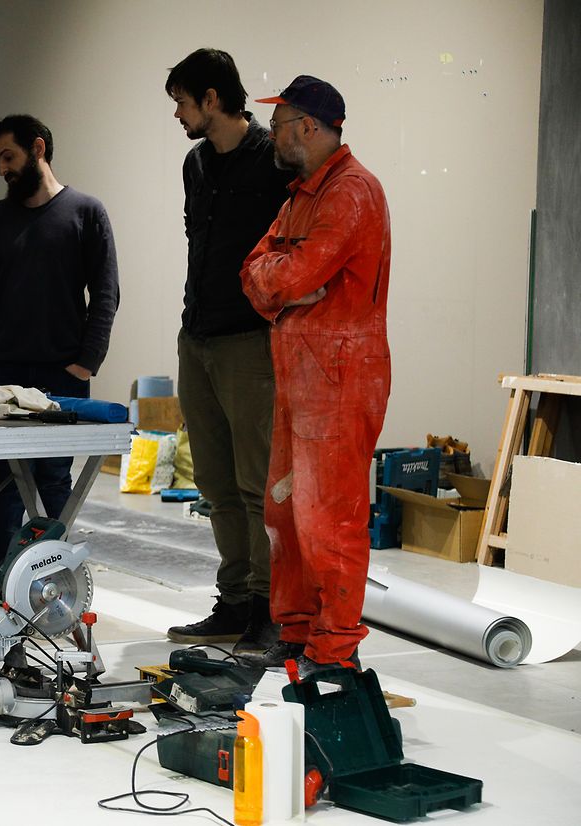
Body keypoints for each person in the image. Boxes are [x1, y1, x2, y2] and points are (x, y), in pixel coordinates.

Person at [237, 75, 391, 679]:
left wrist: (285, 284)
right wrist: (286, 285)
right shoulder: (301, 194)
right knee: (285, 514)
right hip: (299, 371)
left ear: (307, 127)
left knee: (329, 519)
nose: (271, 133)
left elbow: (289, 277)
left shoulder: (351, 193)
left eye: (277, 124)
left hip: (341, 375)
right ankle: (298, 632)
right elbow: (257, 272)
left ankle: (334, 648)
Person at [0, 114, 120, 592]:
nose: (2, 168)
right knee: (6, 478)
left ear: (38, 149)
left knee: (52, 478)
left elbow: (105, 292)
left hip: (62, 370)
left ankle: (55, 588)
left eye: (9, 157)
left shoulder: (86, 212)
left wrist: (87, 361)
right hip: (4, 369)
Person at [163, 49, 294, 656]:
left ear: (212, 99)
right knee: (214, 484)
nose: (179, 115)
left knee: (256, 483)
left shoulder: (273, 160)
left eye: (183, 103)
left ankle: (270, 610)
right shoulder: (195, 164)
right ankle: (235, 600)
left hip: (251, 340)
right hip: (199, 337)